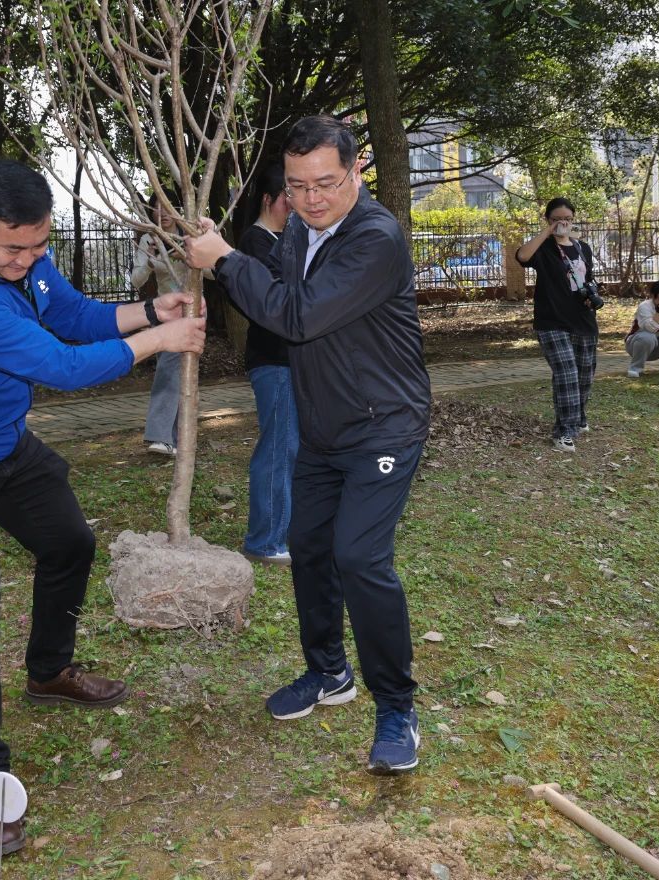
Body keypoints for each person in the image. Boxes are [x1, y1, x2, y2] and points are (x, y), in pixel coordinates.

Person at [0, 159, 205, 858]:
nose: (27, 260)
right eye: (14, 248)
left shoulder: (24, 259)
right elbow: (62, 365)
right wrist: (159, 343)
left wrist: (153, 311)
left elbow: (73, 316)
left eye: (38, 245)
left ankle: (48, 672)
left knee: (69, 544)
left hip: (4, 446)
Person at [185, 115, 432, 776]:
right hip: (323, 427)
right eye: (297, 186)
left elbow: (298, 314)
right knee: (309, 550)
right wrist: (222, 248)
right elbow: (280, 289)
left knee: (359, 557)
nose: (311, 198)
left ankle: (397, 708)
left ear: (356, 172)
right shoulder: (299, 228)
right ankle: (328, 672)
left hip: (384, 426)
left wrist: (226, 261)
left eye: (325, 183)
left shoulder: (376, 237)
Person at [235, 161, 297, 567]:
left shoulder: (286, 237)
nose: (295, 206)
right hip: (273, 360)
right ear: (268, 199)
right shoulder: (255, 242)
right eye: (288, 198)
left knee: (294, 448)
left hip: (296, 361)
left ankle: (285, 531)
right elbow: (276, 298)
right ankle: (265, 540)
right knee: (278, 447)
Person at [515, 198, 601, 453]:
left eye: (568, 219)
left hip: (583, 320)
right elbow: (522, 256)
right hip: (551, 320)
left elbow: (588, 278)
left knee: (584, 375)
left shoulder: (582, 247)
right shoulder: (543, 247)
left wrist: (593, 295)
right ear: (548, 220)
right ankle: (564, 431)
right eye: (557, 219)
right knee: (566, 373)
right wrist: (548, 232)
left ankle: (578, 416)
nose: (563, 223)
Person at [130, 193, 202, 454]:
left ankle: (163, 436)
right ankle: (177, 439)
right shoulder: (149, 239)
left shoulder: (189, 236)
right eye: (156, 208)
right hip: (166, 315)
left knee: (174, 371)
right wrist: (150, 261)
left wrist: (189, 257)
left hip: (192, 311)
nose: (161, 213)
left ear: (177, 208)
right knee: (174, 372)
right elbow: (136, 280)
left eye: (166, 207)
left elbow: (212, 272)